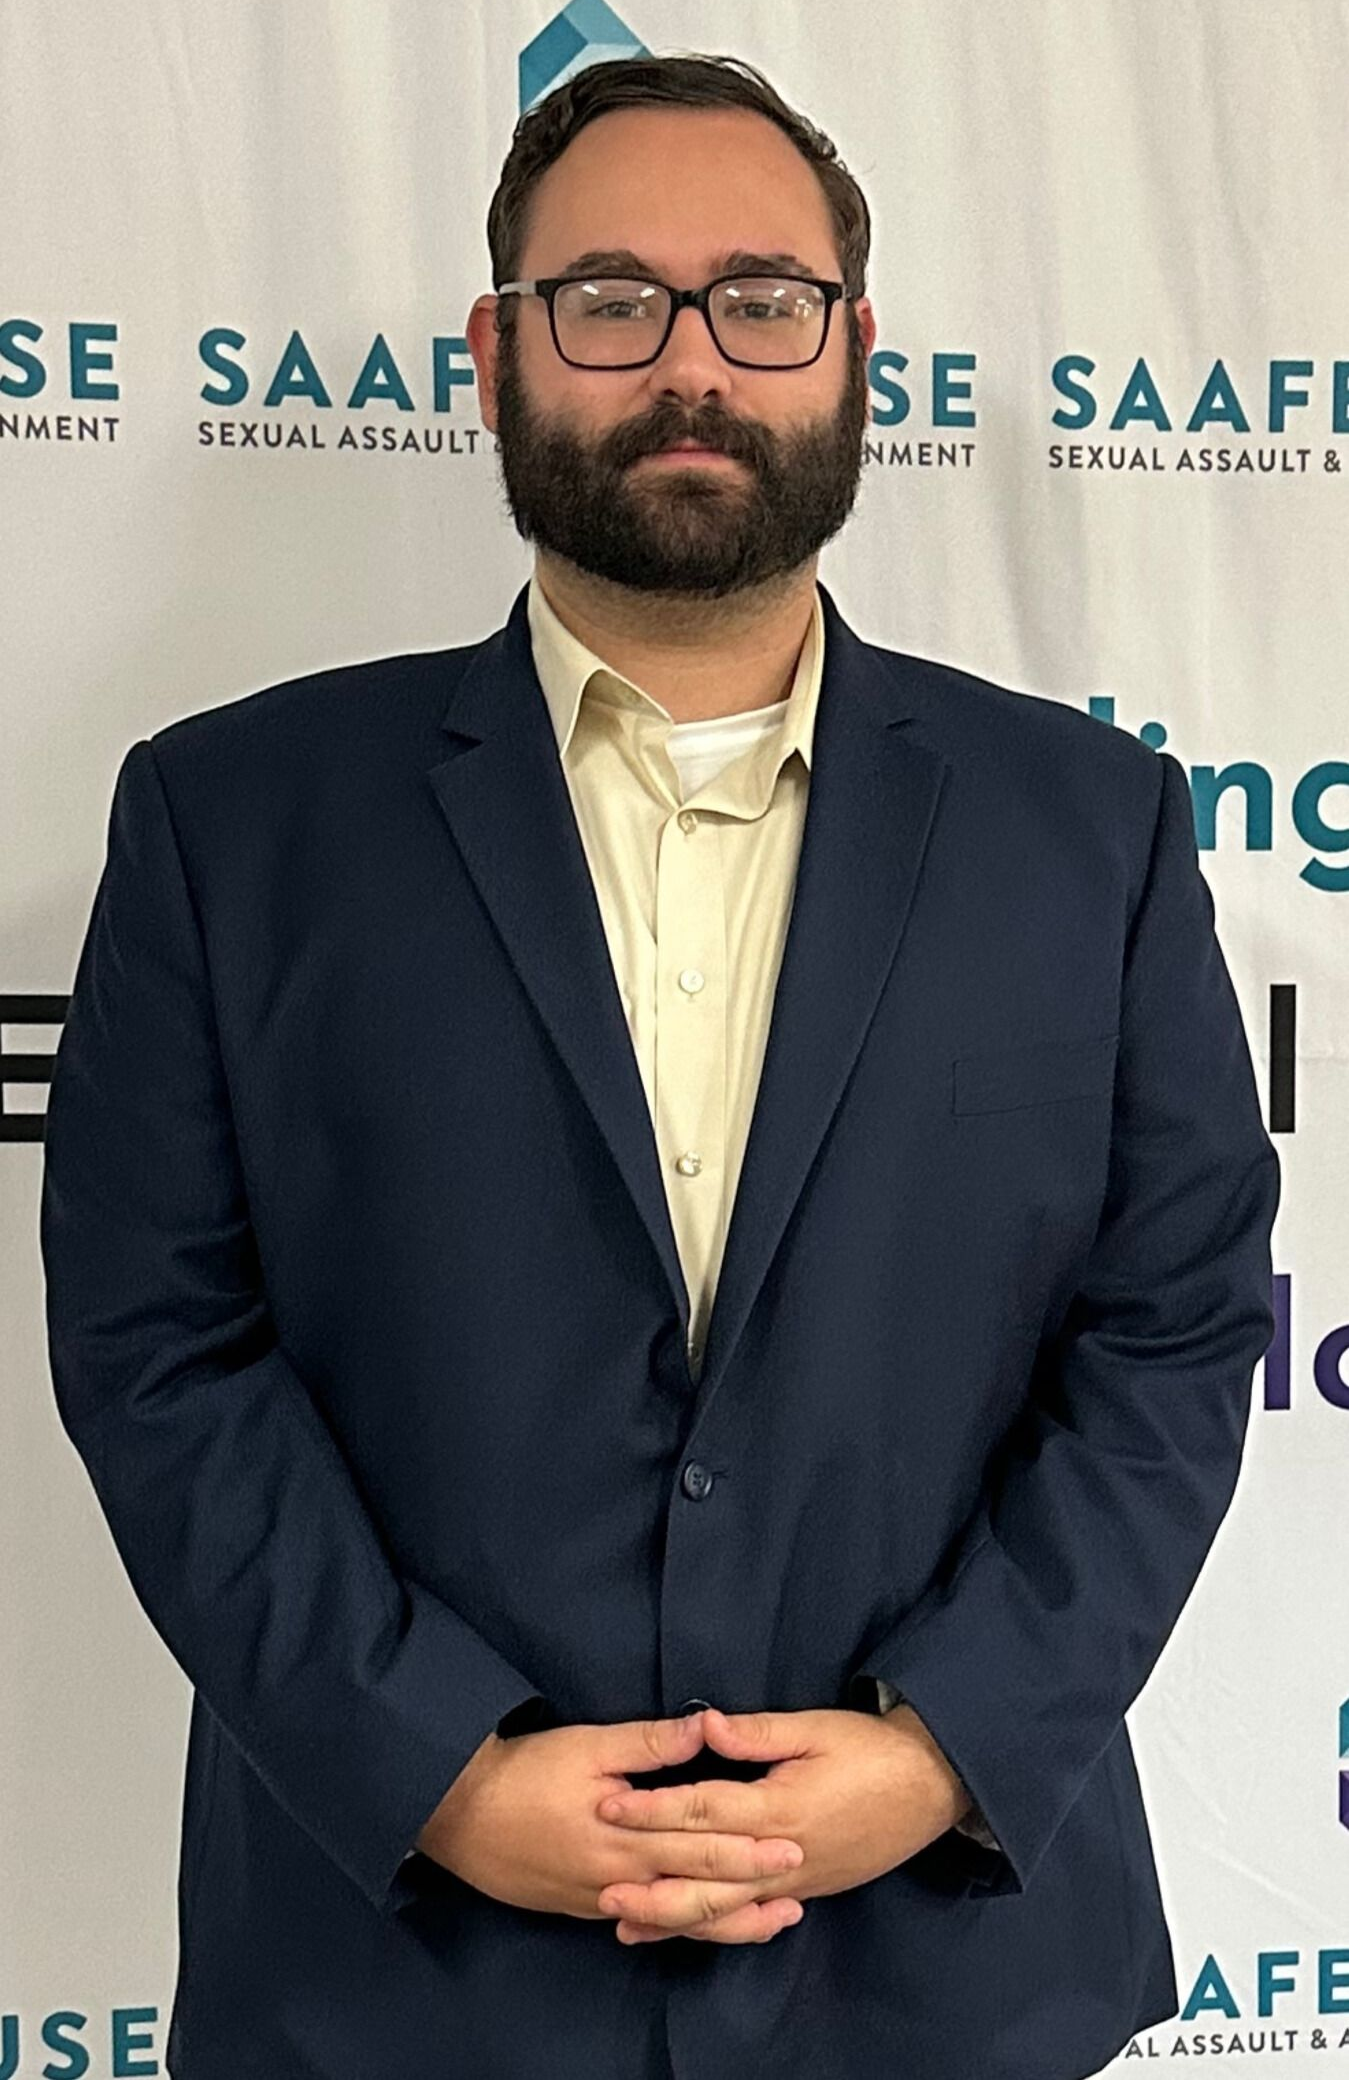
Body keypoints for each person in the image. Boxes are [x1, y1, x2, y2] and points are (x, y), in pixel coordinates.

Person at [39, 49, 1280, 2080]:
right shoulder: (231, 822)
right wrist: (430, 1762)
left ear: (852, 349)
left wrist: (939, 1742)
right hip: (394, 1980)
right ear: (497, 349)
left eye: (758, 299)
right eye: (607, 298)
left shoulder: (1094, 830)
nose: (687, 361)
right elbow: (157, 1339)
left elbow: (1168, 1327)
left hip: (935, 1974)